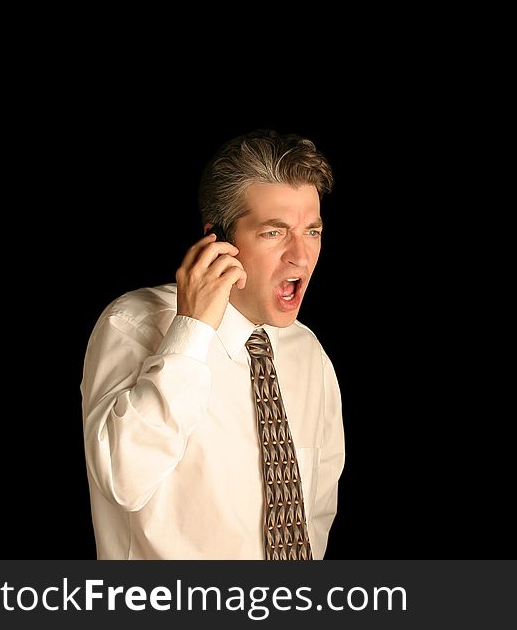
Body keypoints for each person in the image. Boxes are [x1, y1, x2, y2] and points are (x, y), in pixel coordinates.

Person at [81, 129, 344, 559]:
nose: (301, 255)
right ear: (218, 241)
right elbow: (122, 481)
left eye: (312, 231)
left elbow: (316, 513)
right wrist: (192, 329)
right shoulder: (134, 322)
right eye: (274, 232)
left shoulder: (308, 354)